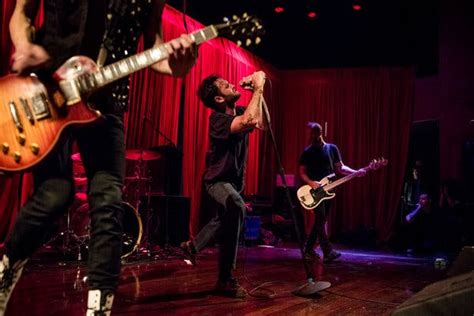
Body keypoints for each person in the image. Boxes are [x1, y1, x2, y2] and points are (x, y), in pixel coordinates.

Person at [1, 0, 197, 315]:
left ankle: (99, 309)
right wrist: (24, 46)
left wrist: (178, 65)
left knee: (108, 205)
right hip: (45, 91)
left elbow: (155, 45)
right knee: (55, 193)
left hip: (106, 101)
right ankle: (7, 267)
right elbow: (20, 14)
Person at [180, 72, 267, 298]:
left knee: (226, 220)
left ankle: (200, 254)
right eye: (224, 85)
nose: (230, 82)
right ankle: (221, 274)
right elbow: (248, 121)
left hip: (235, 183)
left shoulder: (239, 111)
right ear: (219, 99)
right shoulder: (217, 119)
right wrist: (257, 88)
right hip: (217, 181)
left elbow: (260, 123)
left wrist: (259, 89)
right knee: (236, 207)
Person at [298, 122, 366, 263]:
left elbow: (340, 168)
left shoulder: (332, 149)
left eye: (313, 133)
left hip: (329, 189)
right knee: (321, 217)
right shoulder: (307, 152)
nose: (311, 136)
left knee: (320, 220)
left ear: (320, 132)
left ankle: (308, 249)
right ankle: (327, 251)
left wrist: (355, 172)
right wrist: (311, 182)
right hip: (314, 191)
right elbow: (302, 173)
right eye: (310, 134)